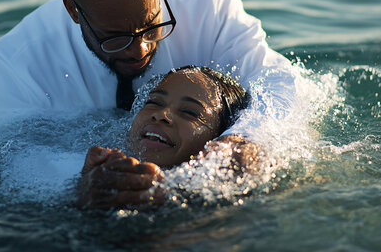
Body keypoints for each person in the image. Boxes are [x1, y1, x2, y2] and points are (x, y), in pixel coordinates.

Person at [0, 0, 297, 205]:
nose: (141, 50)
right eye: (116, 38)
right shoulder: (17, 62)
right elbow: (14, 160)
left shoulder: (207, 9)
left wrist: (248, 137)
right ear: (74, 12)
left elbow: (281, 83)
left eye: (151, 26)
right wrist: (78, 183)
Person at [76, 65, 255, 208]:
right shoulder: (94, 168)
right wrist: (81, 195)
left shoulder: (225, 203)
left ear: (219, 140)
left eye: (189, 112)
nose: (162, 114)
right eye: (154, 102)